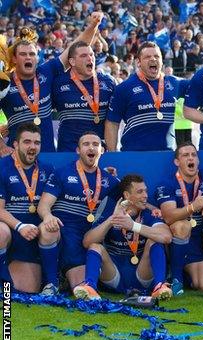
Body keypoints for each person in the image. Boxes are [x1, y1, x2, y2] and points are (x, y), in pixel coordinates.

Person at [0, 13, 104, 155]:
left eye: (32, 54)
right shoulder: (5, 83)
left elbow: (73, 50)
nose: (28, 57)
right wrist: (2, 146)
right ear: (14, 59)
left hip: (48, 156)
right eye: (23, 54)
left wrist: (93, 25)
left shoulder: (46, 72)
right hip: (17, 157)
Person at [37, 131, 120, 293]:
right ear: (78, 150)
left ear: (102, 150)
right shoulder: (62, 173)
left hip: (88, 239)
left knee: (80, 289)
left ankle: (65, 278)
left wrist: (153, 210)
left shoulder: (110, 180)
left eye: (96, 144)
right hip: (64, 234)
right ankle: (51, 283)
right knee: (46, 229)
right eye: (86, 144)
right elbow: (43, 206)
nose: (91, 148)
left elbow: (132, 199)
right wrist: (48, 216)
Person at [72, 174, 173, 300]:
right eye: (140, 192)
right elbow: (87, 242)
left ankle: (159, 286)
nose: (145, 195)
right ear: (126, 195)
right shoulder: (111, 212)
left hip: (142, 275)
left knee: (155, 240)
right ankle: (90, 287)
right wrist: (111, 220)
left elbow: (166, 237)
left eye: (146, 191)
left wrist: (133, 226)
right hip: (114, 274)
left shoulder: (148, 214)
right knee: (95, 246)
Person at [155, 142, 203, 295]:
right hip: (177, 241)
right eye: (185, 155)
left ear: (197, 160)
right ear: (177, 162)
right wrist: (193, 207)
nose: (190, 158)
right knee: (182, 225)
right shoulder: (167, 183)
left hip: (200, 241)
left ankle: (186, 275)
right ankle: (176, 277)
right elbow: (169, 216)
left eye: (193, 155)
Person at [105, 42, 189, 151]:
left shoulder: (175, 83)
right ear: (138, 62)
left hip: (167, 157)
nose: (153, 59)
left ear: (162, 61)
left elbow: (200, 86)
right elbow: (112, 122)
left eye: (157, 56)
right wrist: (113, 155)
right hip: (134, 157)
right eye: (147, 57)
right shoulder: (124, 88)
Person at [0, 123, 54, 293]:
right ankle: (2, 280)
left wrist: (109, 176)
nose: (32, 147)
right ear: (15, 145)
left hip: (32, 236)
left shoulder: (47, 169)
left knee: (27, 289)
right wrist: (19, 226)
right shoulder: (1, 167)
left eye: (37, 143)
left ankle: (52, 284)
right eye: (27, 142)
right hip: (11, 229)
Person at [53, 41, 116, 151]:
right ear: (72, 61)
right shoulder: (58, 83)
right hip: (68, 151)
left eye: (91, 55)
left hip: (99, 153)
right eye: (83, 56)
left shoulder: (109, 82)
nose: (90, 58)